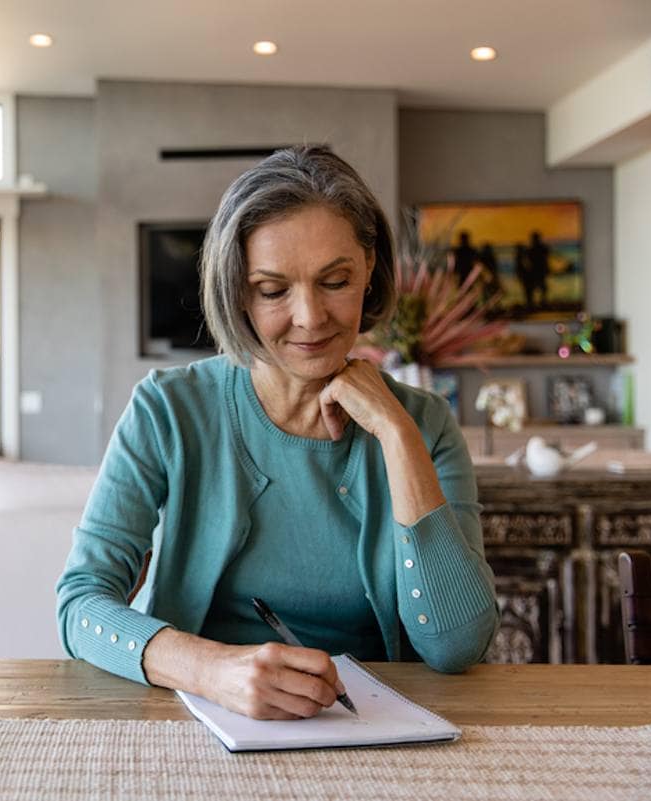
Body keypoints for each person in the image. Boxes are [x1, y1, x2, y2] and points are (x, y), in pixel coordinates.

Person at [56, 145, 498, 722]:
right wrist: (213, 670)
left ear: (369, 269)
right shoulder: (167, 409)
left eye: (335, 280)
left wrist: (396, 432)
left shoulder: (425, 423)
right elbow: (81, 606)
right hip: (199, 721)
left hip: (371, 732)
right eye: (272, 290)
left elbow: (456, 644)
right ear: (237, 290)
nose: (311, 317)